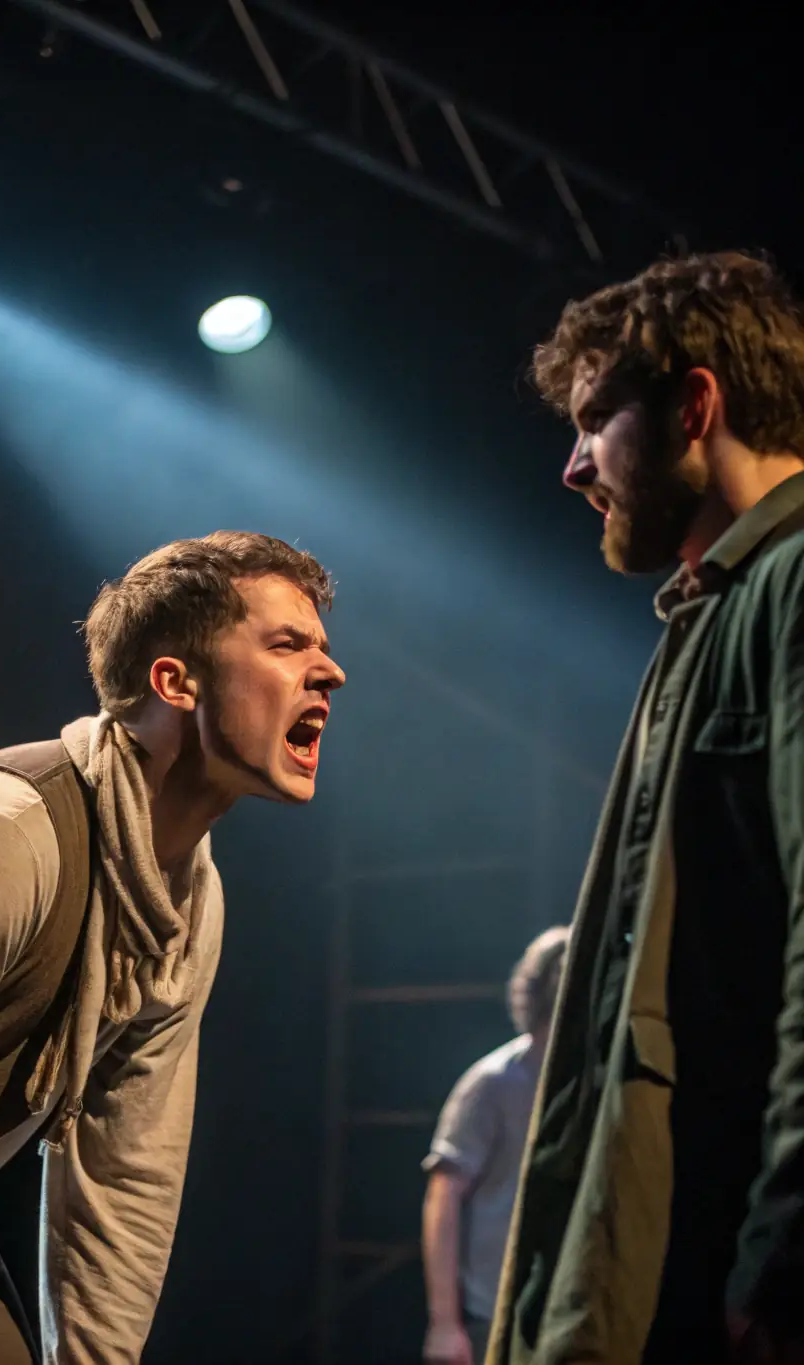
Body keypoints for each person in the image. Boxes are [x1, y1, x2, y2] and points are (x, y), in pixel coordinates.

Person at [0, 530, 345, 1365]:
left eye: (323, 649)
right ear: (173, 680)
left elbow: (126, 1175)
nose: (329, 672)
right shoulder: (1, 838)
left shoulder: (188, 904)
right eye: (287, 644)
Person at [487, 252, 804, 1365]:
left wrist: (785, 1246)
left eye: (592, 422)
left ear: (696, 406)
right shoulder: (708, 611)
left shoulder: (792, 585)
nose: (574, 467)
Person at [422, 928, 569, 1365]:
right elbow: (443, 1196)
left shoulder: (593, 1088)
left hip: (567, 1307)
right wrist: (445, 1323)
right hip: (496, 1312)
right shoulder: (494, 1082)